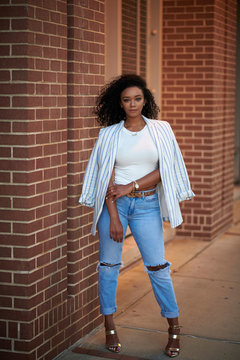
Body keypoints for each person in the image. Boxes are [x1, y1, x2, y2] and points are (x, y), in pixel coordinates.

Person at [79, 74, 194, 358]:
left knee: (158, 267)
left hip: (147, 205)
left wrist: (131, 186)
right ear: (119, 103)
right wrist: (114, 218)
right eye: (127, 99)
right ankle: (110, 326)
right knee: (107, 267)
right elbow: (105, 176)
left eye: (138, 98)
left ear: (146, 100)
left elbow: (164, 169)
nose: (133, 104)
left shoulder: (160, 130)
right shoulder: (108, 134)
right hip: (113, 207)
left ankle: (174, 327)